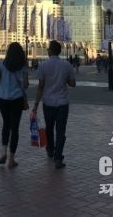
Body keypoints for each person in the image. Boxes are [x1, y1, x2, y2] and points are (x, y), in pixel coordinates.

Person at [33, 40, 76, 169]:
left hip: (48, 102)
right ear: (59, 51)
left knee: (49, 128)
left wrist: (36, 104)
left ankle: (50, 150)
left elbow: (41, 86)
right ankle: (58, 157)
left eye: (48, 49)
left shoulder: (43, 65)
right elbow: (73, 84)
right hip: (62, 102)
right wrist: (65, 80)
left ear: (50, 50)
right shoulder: (67, 65)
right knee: (61, 131)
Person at [0, 42, 29, 169]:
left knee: (6, 124)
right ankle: (11, 159)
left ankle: (3, 151)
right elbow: (25, 85)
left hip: (3, 98)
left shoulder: (2, 64)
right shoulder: (23, 66)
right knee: (15, 127)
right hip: (17, 98)